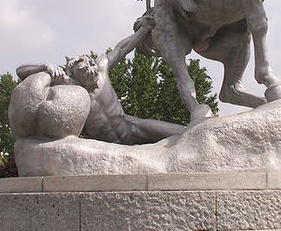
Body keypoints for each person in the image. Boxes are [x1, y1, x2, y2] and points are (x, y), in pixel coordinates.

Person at [12, 16, 185, 145]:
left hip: (133, 128)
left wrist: (144, 29)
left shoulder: (101, 68)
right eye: (84, 69)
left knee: (184, 134)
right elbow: (21, 71)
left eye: (91, 64)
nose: (91, 68)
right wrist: (44, 66)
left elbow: (122, 48)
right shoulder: (70, 88)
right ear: (73, 74)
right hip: (107, 147)